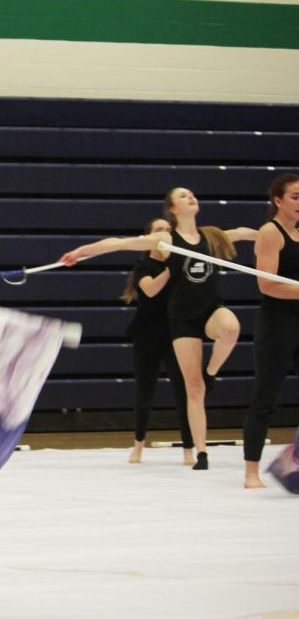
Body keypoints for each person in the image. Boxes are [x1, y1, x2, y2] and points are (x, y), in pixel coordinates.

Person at [60, 188, 256, 470]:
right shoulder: (166, 239)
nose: (191, 197)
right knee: (193, 389)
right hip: (183, 319)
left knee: (231, 327)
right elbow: (119, 243)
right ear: (172, 209)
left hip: (211, 311)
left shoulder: (211, 235)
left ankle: (211, 371)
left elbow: (247, 233)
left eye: (192, 194)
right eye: (183, 196)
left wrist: (280, 234)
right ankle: (201, 452)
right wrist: (80, 252)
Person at [120, 218, 195, 465]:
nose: (164, 233)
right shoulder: (144, 265)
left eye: (168, 230)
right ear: (149, 236)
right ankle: (138, 445)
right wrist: (171, 268)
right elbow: (150, 290)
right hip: (147, 334)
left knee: (183, 392)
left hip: (176, 333)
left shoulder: (180, 262)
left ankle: (188, 448)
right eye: (159, 230)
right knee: (145, 392)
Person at [243, 173, 299, 489]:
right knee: (266, 396)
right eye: (295, 196)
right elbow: (267, 285)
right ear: (278, 200)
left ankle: (293, 459)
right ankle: (251, 470)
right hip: (277, 323)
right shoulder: (270, 232)